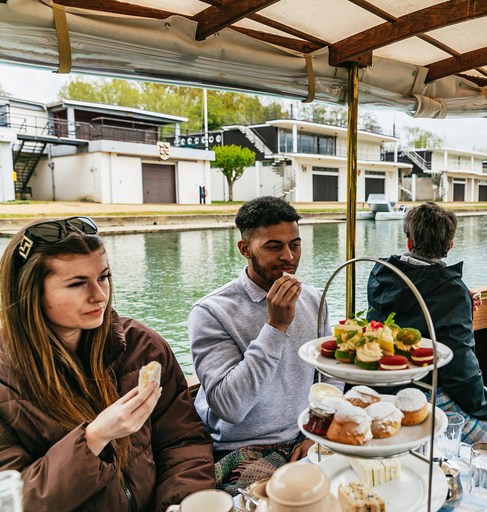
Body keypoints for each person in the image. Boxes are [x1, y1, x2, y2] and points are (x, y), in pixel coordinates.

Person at [0, 217, 215, 512]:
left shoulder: (143, 346)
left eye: (103, 276)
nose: (100, 296)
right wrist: (94, 438)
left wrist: (178, 505)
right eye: (77, 283)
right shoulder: (4, 380)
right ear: (29, 292)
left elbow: (182, 442)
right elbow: (18, 501)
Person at [189, 197, 336, 494]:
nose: (288, 257)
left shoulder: (313, 299)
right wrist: (275, 326)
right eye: (274, 246)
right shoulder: (211, 312)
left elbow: (330, 374)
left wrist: (317, 432)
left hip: (305, 435)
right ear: (245, 249)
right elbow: (230, 406)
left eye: (295, 245)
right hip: (243, 447)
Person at [367, 201, 487, 456]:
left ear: (408, 242)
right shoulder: (451, 291)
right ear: (450, 246)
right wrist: (486, 410)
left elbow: (412, 305)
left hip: (383, 382)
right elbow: (460, 368)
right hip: (424, 393)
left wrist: (458, 298)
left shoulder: (382, 274)